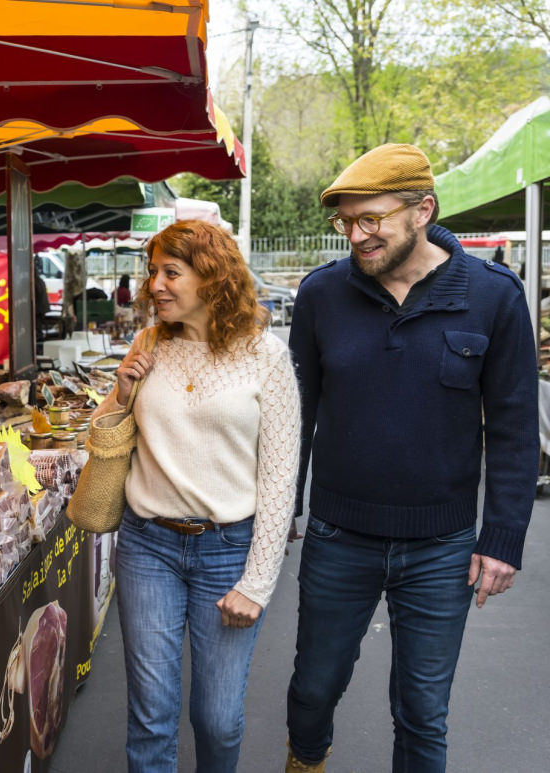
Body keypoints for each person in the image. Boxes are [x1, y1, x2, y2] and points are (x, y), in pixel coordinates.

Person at [284, 144, 538, 773]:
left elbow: (513, 427)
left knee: (423, 711)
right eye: (347, 221)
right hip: (338, 537)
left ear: (422, 209)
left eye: (372, 218)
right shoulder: (321, 295)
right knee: (313, 690)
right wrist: (278, 514)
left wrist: (502, 538)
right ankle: (306, 758)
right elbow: (294, 418)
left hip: (441, 545)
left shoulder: (493, 296)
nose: (357, 235)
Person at [96, 220, 300, 772]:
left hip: (228, 552)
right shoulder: (147, 344)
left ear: (211, 277)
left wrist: (256, 583)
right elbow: (103, 438)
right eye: (152, 271)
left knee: (218, 717)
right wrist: (121, 389)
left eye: (170, 272)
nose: (154, 285)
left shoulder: (266, 357)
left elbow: (280, 479)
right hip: (148, 547)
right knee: (151, 714)